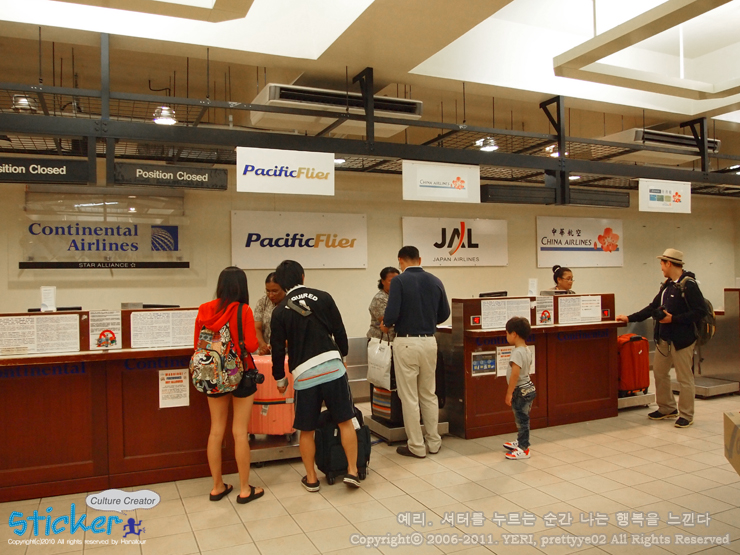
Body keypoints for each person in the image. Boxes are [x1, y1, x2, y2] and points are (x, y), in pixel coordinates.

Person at [269, 260, 360, 490]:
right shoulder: (324, 297)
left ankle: (311, 479)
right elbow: (339, 330)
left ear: (281, 282)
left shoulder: (279, 311)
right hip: (332, 368)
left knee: (307, 430)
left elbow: (277, 349)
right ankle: (352, 471)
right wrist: (343, 356)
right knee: (345, 421)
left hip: (304, 374)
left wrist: (279, 378)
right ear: (302, 276)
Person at [193, 266, 264, 504]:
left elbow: (197, 345)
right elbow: (252, 346)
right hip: (240, 374)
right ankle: (244, 489)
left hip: (212, 374)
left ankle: (217, 486)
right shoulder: (243, 310)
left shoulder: (204, 309)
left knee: (216, 430)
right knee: (239, 432)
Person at [616, 248, 707, 428]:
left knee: (684, 378)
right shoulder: (667, 285)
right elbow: (652, 308)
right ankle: (667, 408)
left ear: (669, 263)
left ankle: (686, 414)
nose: (661, 267)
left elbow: (700, 311)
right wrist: (629, 318)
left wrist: (674, 319)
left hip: (683, 340)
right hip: (664, 339)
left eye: (662, 264)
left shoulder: (689, 285)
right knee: (659, 373)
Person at [383, 245, 450, 458]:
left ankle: (416, 446)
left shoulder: (399, 281)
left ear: (400, 260)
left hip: (406, 342)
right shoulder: (435, 280)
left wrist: (387, 323)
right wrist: (428, 319)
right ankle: (434, 442)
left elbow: (391, 314)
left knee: (409, 397)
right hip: (430, 341)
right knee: (429, 394)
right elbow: (445, 313)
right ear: (420, 260)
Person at [502, 316, 536, 460]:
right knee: (523, 418)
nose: (506, 336)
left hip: (520, 391)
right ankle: (521, 440)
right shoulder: (526, 349)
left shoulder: (517, 353)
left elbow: (515, 374)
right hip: (529, 388)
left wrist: (509, 393)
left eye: (507, 333)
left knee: (522, 420)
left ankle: (524, 448)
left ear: (514, 334)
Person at [254, 272, 286, 355]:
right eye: (268, 291)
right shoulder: (262, 302)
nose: (271, 295)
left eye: (275, 291)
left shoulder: (291, 303)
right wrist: (263, 346)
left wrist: (276, 346)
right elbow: (257, 327)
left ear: (284, 288)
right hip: (265, 351)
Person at [368, 266, 399, 341]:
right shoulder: (379, 298)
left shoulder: (398, 296)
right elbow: (386, 320)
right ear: (383, 281)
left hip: (396, 340)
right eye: (390, 281)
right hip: (380, 341)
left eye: (397, 281)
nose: (394, 284)